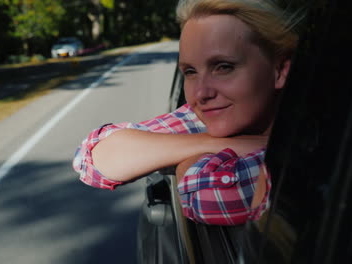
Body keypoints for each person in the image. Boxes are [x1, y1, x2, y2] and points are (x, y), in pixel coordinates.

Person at [73, 0, 299, 225]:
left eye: (223, 67)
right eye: (190, 71)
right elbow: (92, 157)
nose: (201, 93)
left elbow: (208, 195)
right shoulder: (208, 117)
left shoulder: (319, 147)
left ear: (280, 70)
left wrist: (187, 160)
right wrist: (219, 144)